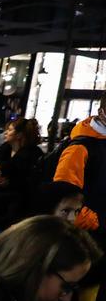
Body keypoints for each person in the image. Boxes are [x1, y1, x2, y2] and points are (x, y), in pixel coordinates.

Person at [53, 96, 106, 235]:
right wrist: (94, 221)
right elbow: (62, 193)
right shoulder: (81, 147)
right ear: (101, 113)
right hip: (87, 233)